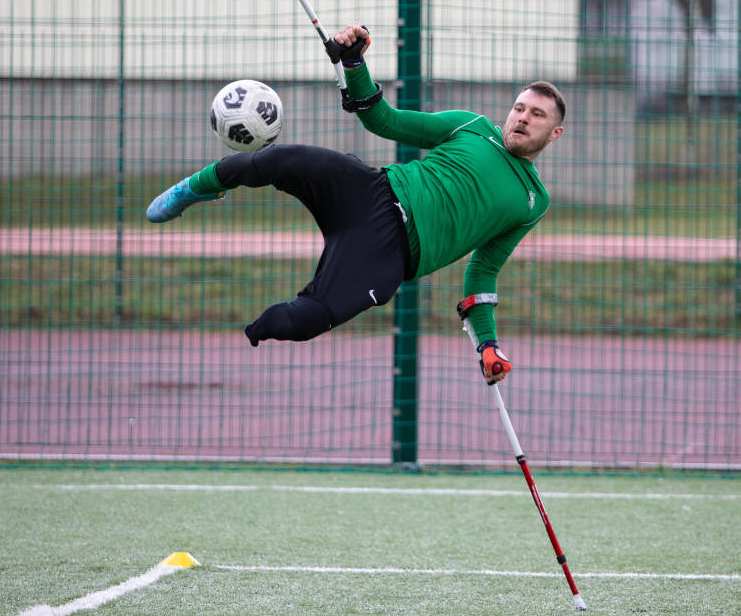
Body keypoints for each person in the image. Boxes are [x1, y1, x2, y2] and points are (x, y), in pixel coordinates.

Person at [146, 23, 565, 384]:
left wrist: (488, 345)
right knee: (281, 159)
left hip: (390, 255)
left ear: (555, 133)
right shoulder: (472, 127)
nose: (522, 118)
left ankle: (244, 334)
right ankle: (195, 188)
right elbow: (384, 120)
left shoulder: (533, 201)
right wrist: (353, 63)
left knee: (306, 319)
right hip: (372, 191)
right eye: (519, 107)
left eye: (537, 115)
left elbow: (484, 271)